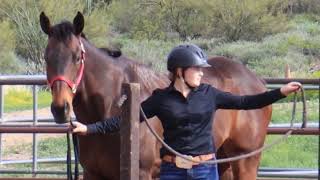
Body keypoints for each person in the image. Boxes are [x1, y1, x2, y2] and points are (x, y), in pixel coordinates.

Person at [72, 44, 301, 180]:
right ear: (180, 72)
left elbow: (245, 102)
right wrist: (88, 128)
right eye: (197, 69)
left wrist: (280, 92)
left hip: (204, 170)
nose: (202, 73)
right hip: (173, 171)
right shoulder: (160, 99)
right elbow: (127, 120)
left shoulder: (210, 94)